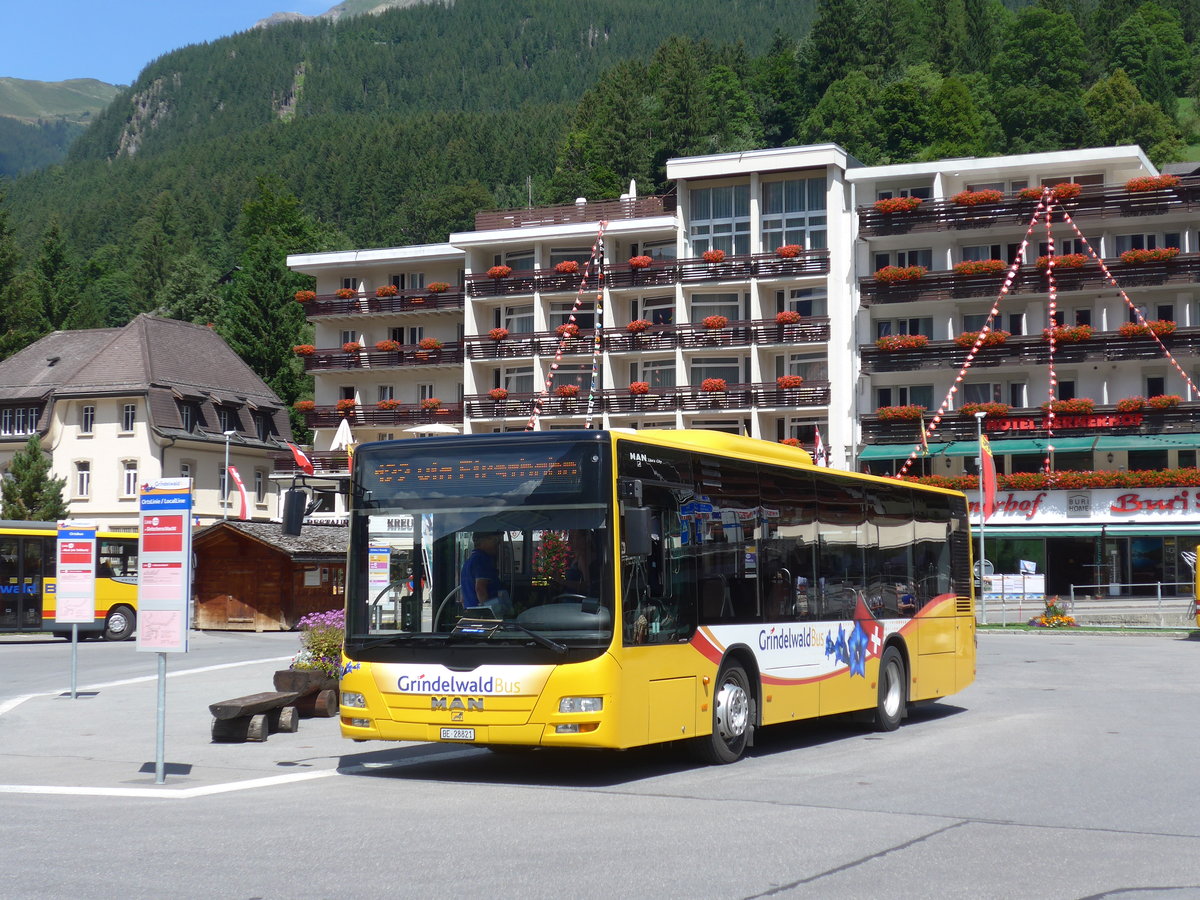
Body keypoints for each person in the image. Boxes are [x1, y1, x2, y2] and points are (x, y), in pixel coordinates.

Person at [460, 532, 511, 616]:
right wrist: (490, 615)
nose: (498, 544)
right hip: (482, 616)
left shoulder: (468, 562)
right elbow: (480, 589)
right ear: (482, 541)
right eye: (495, 540)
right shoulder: (483, 560)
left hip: (470, 614)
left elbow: (463, 598)